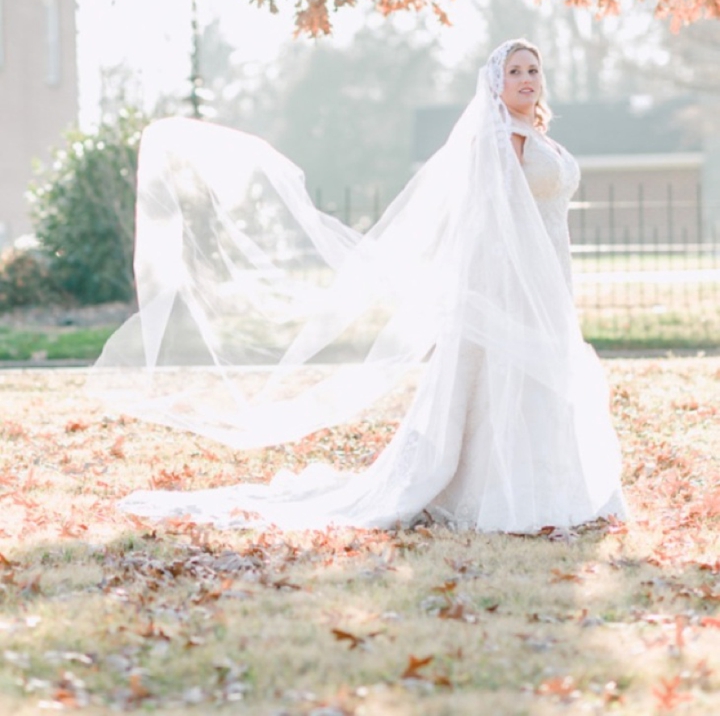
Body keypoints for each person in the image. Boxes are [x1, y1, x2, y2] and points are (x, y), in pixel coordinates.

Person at [90, 39, 626, 532]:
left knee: (540, 374)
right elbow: (495, 216)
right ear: (495, 85)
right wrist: (511, 283)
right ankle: (502, 493)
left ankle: (554, 485)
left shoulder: (538, 138)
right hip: (512, 281)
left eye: (533, 70)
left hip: (549, 276)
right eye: (514, 71)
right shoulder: (500, 138)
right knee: (509, 373)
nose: (527, 78)